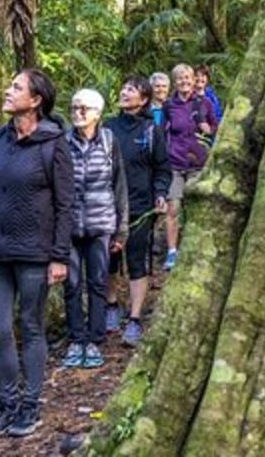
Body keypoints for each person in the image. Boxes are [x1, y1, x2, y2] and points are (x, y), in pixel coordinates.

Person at [0, 69, 74, 439]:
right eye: (9, 85)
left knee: (30, 327)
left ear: (36, 100)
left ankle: (30, 405)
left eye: (16, 87)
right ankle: (6, 404)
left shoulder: (54, 143)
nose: (7, 91)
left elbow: (65, 204)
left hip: (35, 256)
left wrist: (59, 256)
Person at [61, 89, 129, 368]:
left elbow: (119, 185)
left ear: (97, 114)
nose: (78, 113)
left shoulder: (109, 141)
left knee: (98, 282)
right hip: (69, 227)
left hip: (101, 224)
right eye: (75, 107)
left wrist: (121, 229)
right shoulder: (62, 142)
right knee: (72, 283)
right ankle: (77, 339)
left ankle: (96, 339)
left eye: (84, 108)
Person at [104, 75, 171, 346]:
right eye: (123, 87)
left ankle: (134, 319)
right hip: (109, 207)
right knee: (109, 260)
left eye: (131, 89)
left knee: (136, 260)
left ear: (143, 99)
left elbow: (162, 169)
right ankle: (110, 306)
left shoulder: (150, 131)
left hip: (140, 206)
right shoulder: (108, 127)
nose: (124, 92)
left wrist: (161, 195)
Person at [162, 63, 218, 271]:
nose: (184, 82)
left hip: (197, 163)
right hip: (175, 162)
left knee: (195, 209)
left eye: (188, 78)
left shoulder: (204, 104)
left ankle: (194, 249)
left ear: (194, 80)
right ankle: (171, 252)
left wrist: (209, 129)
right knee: (173, 208)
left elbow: (216, 128)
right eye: (180, 79)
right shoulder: (169, 106)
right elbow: (162, 134)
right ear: (175, 83)